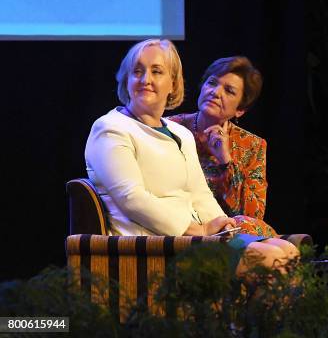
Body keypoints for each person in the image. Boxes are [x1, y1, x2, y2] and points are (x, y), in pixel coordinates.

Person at [84, 39, 297, 274]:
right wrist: (199, 230)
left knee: (289, 252)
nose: (145, 80)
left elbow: (200, 194)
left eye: (156, 71)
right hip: (157, 243)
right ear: (127, 80)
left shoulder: (179, 133)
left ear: (173, 84)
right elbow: (132, 198)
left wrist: (221, 225)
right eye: (137, 72)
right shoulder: (111, 129)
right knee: (272, 260)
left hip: (194, 239)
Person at [168, 56, 276, 237]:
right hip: (181, 220)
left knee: (248, 227)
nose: (216, 92)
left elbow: (253, 215)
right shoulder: (170, 128)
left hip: (227, 228)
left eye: (229, 91)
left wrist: (225, 160)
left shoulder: (252, 146)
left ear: (240, 109)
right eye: (212, 83)